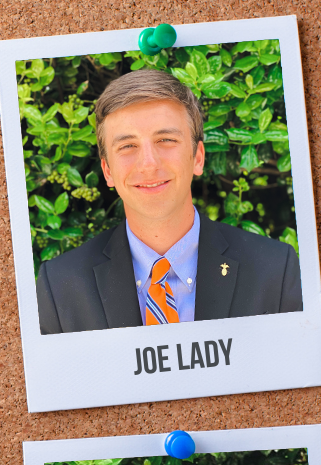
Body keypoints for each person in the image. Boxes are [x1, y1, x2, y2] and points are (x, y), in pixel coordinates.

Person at [36, 69, 302, 334]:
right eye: (127, 146)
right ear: (107, 171)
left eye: (166, 140)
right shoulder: (60, 286)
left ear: (198, 157)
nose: (149, 164)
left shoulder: (275, 270)